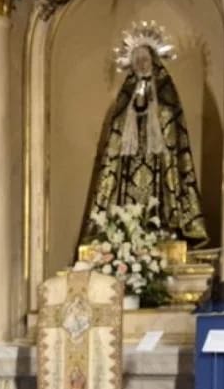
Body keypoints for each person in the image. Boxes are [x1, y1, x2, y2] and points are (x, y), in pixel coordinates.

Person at [80, 31, 207, 247]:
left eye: (144, 59)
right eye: (136, 60)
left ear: (153, 61)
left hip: (159, 160)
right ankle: (123, 232)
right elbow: (117, 129)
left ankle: (165, 228)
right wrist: (133, 110)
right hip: (130, 161)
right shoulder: (126, 93)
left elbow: (171, 121)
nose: (140, 64)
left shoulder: (166, 89)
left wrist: (153, 109)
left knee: (159, 198)